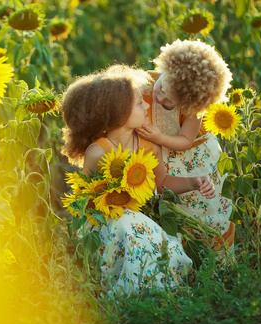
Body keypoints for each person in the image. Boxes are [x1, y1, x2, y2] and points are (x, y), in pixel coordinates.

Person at [60, 64, 216, 295]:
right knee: (129, 228)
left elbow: (160, 184)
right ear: (117, 114)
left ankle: (152, 291)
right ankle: (127, 293)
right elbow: (90, 203)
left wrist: (194, 182)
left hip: (141, 219)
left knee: (153, 241)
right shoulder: (98, 152)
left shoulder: (147, 141)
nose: (146, 105)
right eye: (138, 103)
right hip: (108, 224)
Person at [136, 39, 235, 254]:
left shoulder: (193, 105)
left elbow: (185, 141)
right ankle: (181, 258)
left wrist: (160, 137)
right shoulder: (149, 80)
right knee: (172, 211)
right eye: (162, 87)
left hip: (192, 157)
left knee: (199, 209)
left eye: (169, 101)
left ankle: (213, 261)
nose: (159, 96)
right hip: (163, 151)